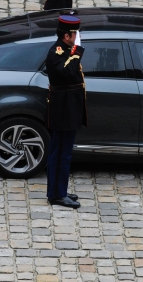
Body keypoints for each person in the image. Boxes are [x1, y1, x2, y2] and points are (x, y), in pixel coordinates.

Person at [45, 15, 87, 209]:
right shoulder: (56, 53)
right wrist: (77, 53)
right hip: (62, 110)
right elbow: (67, 72)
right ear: (67, 36)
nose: (76, 39)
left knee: (65, 153)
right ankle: (56, 194)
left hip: (68, 109)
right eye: (74, 35)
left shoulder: (65, 51)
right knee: (60, 153)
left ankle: (60, 190)